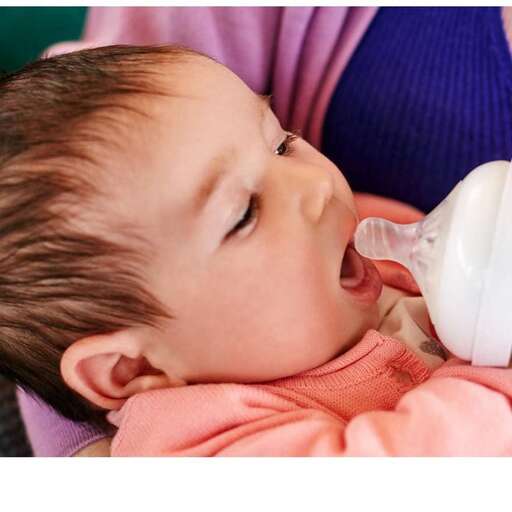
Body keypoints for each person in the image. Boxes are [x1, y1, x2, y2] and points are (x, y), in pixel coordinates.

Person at [16, 6, 512, 455]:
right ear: (134, 369)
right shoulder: (202, 445)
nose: (317, 185)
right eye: (244, 213)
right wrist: (490, 365)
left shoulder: (375, 236)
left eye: (282, 143)